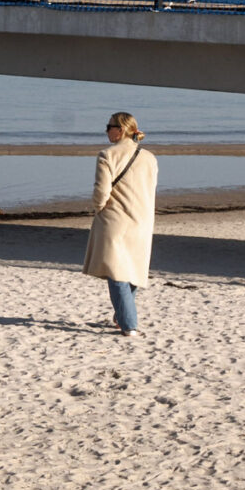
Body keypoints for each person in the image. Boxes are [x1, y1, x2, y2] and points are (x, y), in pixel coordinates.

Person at [84, 112, 158, 335]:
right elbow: (150, 190)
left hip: (115, 219)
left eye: (109, 126)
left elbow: (101, 191)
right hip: (142, 220)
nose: (106, 130)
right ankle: (122, 317)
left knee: (117, 273)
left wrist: (99, 208)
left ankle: (129, 325)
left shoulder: (107, 155)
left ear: (120, 129)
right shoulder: (149, 157)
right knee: (132, 271)